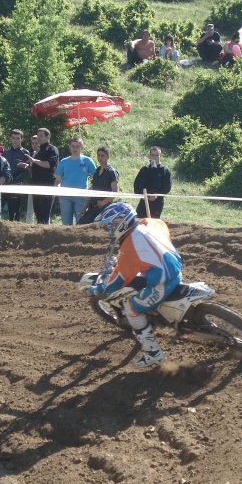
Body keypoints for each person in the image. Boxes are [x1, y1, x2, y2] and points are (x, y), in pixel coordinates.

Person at [85, 202, 183, 368]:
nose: (109, 230)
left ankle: (153, 353)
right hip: (176, 269)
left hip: (162, 283)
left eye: (110, 225)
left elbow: (117, 281)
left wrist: (98, 289)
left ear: (120, 223)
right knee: (141, 280)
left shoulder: (128, 247)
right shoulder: (150, 224)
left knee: (131, 309)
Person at [55, 137, 96, 226]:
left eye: (77, 146)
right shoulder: (64, 162)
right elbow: (57, 181)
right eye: (73, 146)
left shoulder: (87, 160)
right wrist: (58, 191)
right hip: (65, 196)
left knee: (81, 223)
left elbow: (97, 179)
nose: (75, 148)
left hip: (81, 196)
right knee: (66, 224)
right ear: (69, 147)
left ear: (81, 147)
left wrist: (89, 192)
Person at [23, 128, 59, 224]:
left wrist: (34, 161)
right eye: (38, 135)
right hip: (35, 185)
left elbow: (49, 164)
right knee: (38, 214)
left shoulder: (52, 149)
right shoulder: (38, 151)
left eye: (41, 136)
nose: (38, 138)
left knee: (44, 214)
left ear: (48, 136)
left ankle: (46, 232)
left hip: (46, 185)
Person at [79, 146, 119, 225]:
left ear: (108, 156)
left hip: (105, 209)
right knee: (81, 225)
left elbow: (115, 192)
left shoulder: (112, 172)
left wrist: (103, 202)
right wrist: (84, 207)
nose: (100, 157)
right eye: (98, 155)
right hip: (92, 207)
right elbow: (92, 190)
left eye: (102, 155)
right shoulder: (96, 171)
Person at [133, 146, 172, 219]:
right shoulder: (144, 169)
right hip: (143, 201)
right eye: (153, 155)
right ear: (150, 156)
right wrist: (142, 195)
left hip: (157, 202)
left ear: (160, 156)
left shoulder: (164, 171)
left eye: (157, 155)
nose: (154, 157)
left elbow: (167, 187)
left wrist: (156, 196)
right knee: (139, 221)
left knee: (153, 222)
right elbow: (136, 184)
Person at [4, 129, 30, 222]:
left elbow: (28, 170)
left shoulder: (25, 152)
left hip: (17, 184)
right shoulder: (6, 152)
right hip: (5, 184)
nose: (15, 140)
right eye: (13, 138)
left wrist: (25, 166)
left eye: (18, 138)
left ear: (22, 139)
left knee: (15, 211)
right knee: (2, 209)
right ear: (10, 138)